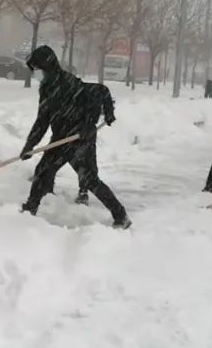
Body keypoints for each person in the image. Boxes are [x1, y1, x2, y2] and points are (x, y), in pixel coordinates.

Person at [19, 45, 130, 229]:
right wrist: (29, 145)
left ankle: (120, 215)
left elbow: (100, 91)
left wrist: (102, 116)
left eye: (36, 69)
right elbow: (42, 120)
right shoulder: (47, 88)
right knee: (46, 172)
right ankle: (30, 210)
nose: (34, 74)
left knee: (87, 180)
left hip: (79, 138)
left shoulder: (68, 82)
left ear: (47, 66)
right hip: (62, 138)